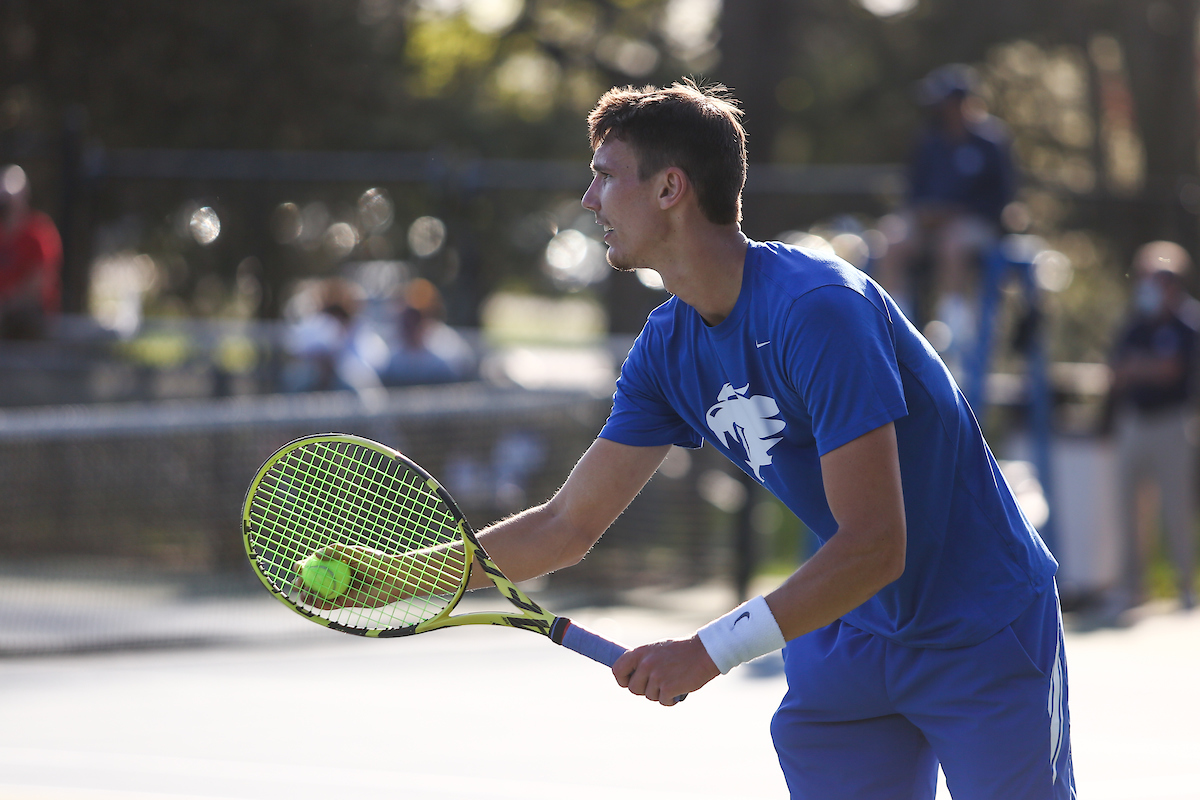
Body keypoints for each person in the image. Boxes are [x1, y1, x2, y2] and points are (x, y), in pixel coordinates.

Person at [335, 80, 1074, 798]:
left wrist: (706, 653)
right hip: (847, 634)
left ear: (669, 189)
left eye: (604, 177)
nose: (590, 199)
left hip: (982, 623)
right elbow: (566, 525)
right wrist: (396, 577)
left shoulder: (819, 310)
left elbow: (878, 545)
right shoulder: (665, 349)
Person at [876, 64, 1017, 358]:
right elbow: (912, 192)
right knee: (891, 241)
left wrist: (956, 213)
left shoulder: (991, 142)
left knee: (953, 244)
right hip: (927, 225)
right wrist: (924, 213)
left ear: (960, 103)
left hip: (975, 227)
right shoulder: (929, 142)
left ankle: (952, 326)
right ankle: (895, 323)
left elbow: (1002, 200)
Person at [1108, 241, 1199, 614]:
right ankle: (1134, 587)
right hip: (1134, 424)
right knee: (1128, 506)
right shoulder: (1134, 323)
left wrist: (1140, 368)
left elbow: (1172, 370)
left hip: (1173, 424)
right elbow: (1117, 370)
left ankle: (1183, 585)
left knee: (1176, 508)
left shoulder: (1188, 323)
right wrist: (1147, 367)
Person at [0, 164, 63, 340]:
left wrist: (6, 305)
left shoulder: (39, 231)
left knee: (23, 320)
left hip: (27, 315)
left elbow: (40, 281)